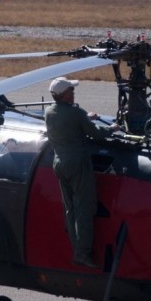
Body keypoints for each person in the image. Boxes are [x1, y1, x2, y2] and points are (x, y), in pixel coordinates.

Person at [44, 77, 117, 268]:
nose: (74, 93)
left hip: (59, 164)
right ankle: (83, 253)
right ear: (65, 94)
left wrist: (85, 118)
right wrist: (113, 129)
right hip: (78, 164)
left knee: (70, 209)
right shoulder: (75, 113)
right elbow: (96, 134)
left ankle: (75, 246)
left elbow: (70, 122)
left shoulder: (49, 112)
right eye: (71, 90)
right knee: (85, 208)